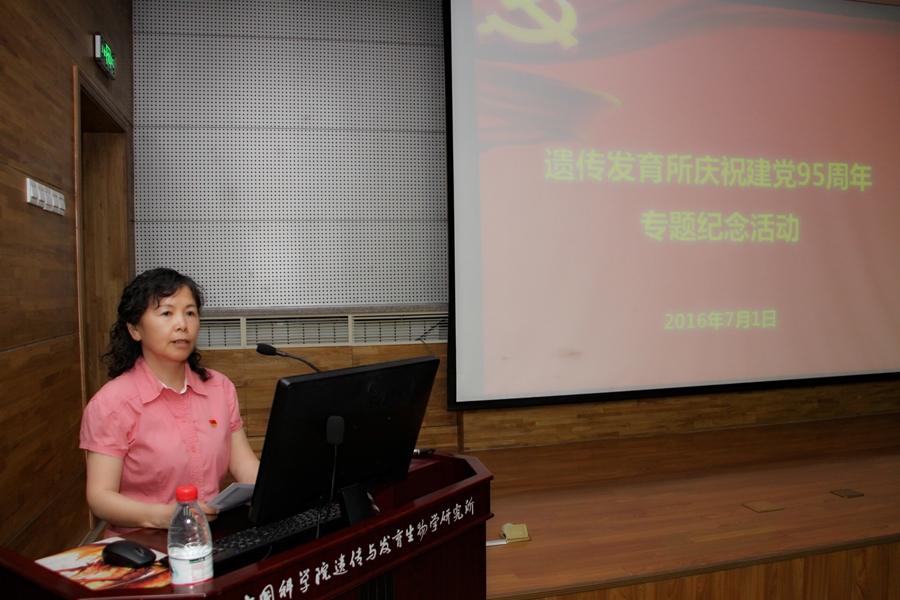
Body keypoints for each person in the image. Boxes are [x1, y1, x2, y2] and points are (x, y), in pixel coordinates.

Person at [80, 268, 259, 534]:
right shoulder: (111, 404)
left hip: (212, 534)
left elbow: (244, 465)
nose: (182, 324)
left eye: (190, 313)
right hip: (145, 543)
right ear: (135, 329)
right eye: (166, 313)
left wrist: (275, 489)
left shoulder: (219, 387)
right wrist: (161, 516)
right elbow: (100, 497)